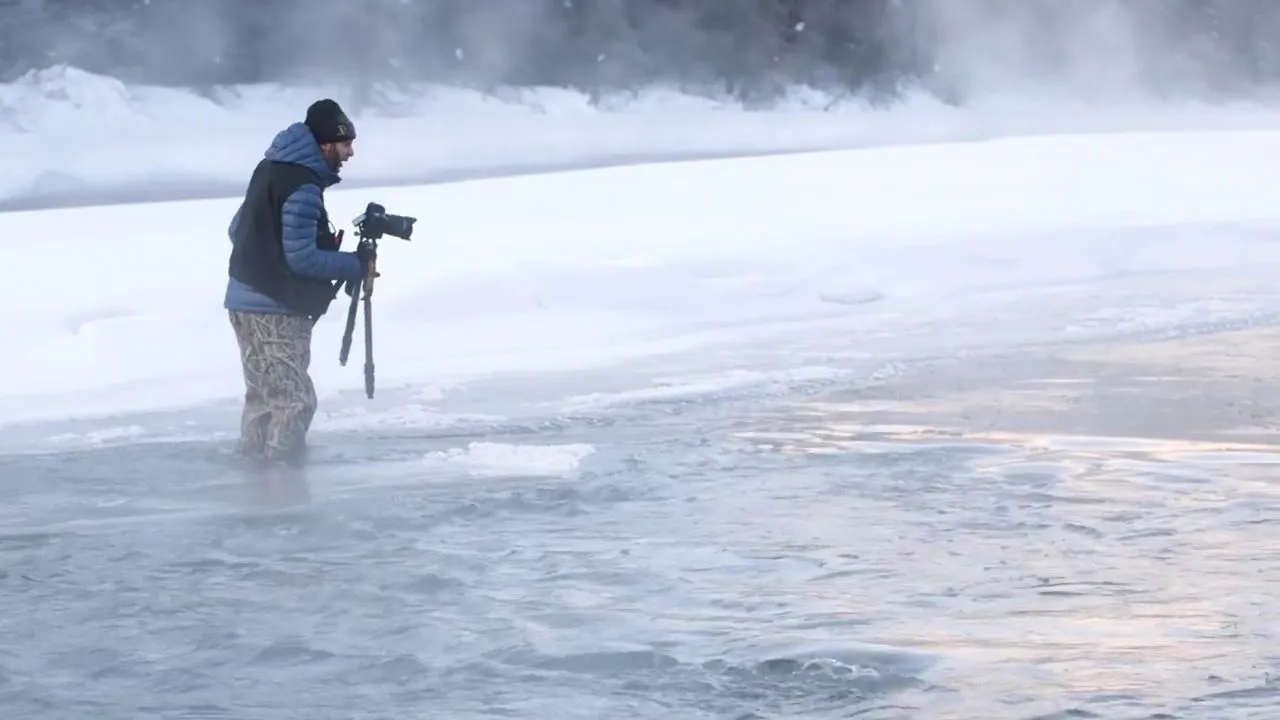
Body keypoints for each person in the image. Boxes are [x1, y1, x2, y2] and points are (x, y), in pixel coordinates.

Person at [224, 98, 373, 466]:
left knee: (263, 399)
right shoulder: (303, 186)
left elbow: (237, 229)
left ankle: (252, 478)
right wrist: (355, 265)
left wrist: (263, 258)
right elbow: (302, 259)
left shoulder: (271, 169)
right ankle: (283, 488)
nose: (350, 152)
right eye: (345, 144)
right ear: (325, 145)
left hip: (243, 301)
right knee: (294, 402)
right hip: (273, 310)